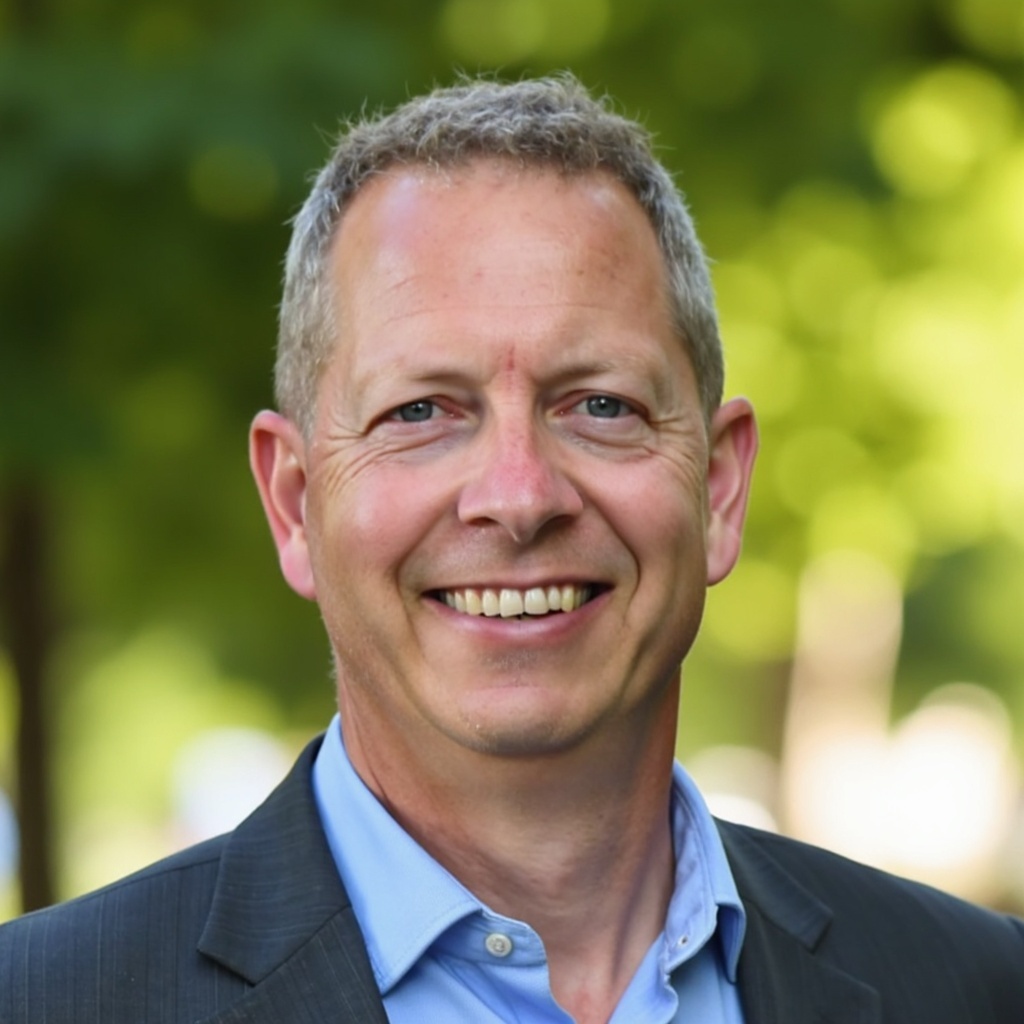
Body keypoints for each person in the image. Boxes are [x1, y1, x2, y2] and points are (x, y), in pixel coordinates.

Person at [1, 74, 1021, 1024]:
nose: (518, 495)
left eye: (600, 404)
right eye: (420, 411)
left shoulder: (975, 987)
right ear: (295, 502)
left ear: (717, 486)